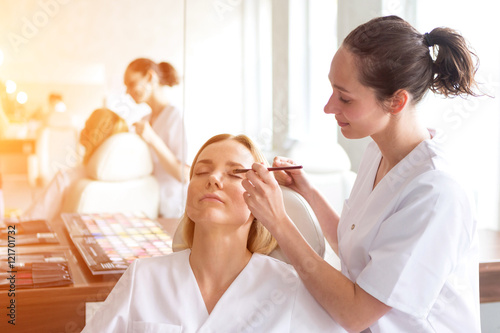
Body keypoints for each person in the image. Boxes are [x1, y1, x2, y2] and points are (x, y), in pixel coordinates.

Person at [242, 15, 481, 332]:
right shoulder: (378, 153)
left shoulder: (436, 193)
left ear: (396, 101)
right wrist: (308, 193)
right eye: (332, 90)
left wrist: (278, 221)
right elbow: (361, 253)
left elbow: (355, 313)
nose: (329, 107)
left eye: (345, 97)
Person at [81, 134, 345, 333]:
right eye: (201, 171)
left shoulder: (290, 287)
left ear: (261, 200)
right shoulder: (144, 277)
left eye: (235, 174)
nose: (214, 179)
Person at [23, 108, 128, 222]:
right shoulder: (133, 182)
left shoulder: (66, 179)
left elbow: (30, 220)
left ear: (88, 135)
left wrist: (10, 231)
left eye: (87, 126)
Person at [124, 58, 189, 218]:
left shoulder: (177, 116)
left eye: (131, 83)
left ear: (150, 77)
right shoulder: (145, 120)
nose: (127, 91)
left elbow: (185, 175)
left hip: (172, 210)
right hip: (148, 208)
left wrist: (152, 139)